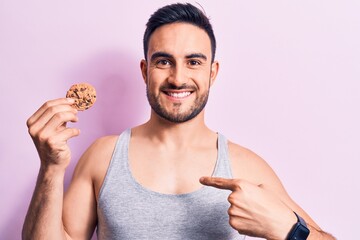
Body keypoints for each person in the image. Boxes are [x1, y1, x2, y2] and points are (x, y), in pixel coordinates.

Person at [22, 3, 335, 240]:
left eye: (194, 62)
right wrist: (50, 169)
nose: (178, 78)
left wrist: (288, 228)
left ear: (212, 73)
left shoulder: (245, 167)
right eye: (163, 61)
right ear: (145, 71)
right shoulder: (102, 157)